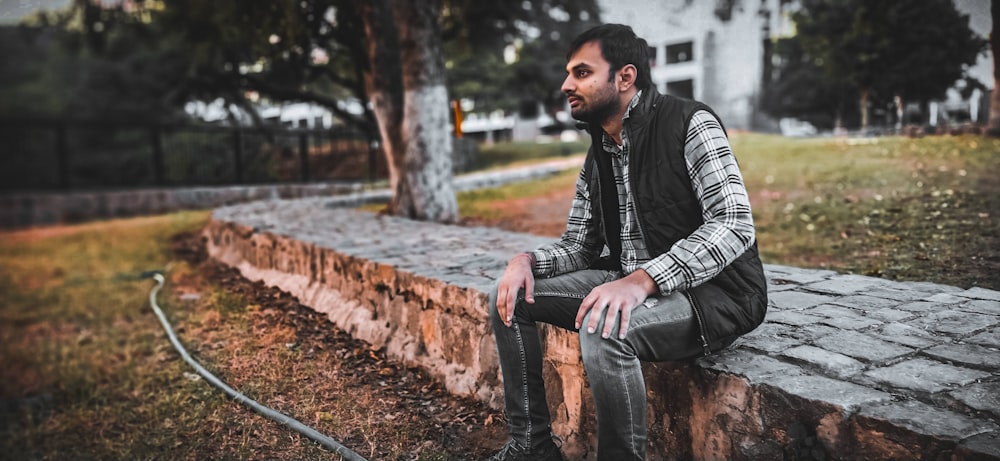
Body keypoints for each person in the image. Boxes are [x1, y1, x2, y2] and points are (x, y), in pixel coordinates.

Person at [484, 24, 768, 461]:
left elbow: (733, 224)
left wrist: (642, 281)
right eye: (568, 74)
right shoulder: (599, 148)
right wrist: (526, 261)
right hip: (628, 280)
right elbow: (580, 245)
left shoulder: (690, 122)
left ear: (625, 77)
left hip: (715, 295)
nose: (566, 85)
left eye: (581, 73)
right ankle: (531, 446)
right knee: (509, 297)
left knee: (604, 326)